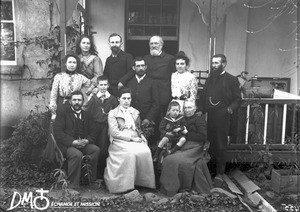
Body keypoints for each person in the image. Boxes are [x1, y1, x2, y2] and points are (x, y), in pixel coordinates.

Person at [198, 54, 241, 186]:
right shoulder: (210, 78)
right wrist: (201, 109)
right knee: (209, 143)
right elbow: (204, 96)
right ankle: (210, 172)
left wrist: (230, 109)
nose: (214, 65)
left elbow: (237, 99)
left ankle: (220, 173)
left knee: (221, 145)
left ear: (224, 64)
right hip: (210, 116)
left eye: (216, 63)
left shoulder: (232, 80)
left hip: (223, 116)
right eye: (213, 63)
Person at [104, 87, 155, 193]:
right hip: (120, 140)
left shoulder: (135, 112)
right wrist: (131, 138)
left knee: (145, 150)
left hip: (135, 138)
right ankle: (124, 185)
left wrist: (142, 136)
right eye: (124, 98)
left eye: (128, 98)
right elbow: (114, 133)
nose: (126, 101)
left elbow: (138, 128)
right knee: (131, 153)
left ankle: (141, 182)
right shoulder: (113, 113)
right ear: (119, 99)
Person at [160, 100, 213, 196]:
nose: (187, 110)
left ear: (195, 108)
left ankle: (183, 188)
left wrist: (187, 133)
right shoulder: (180, 119)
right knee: (168, 159)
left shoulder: (199, 120)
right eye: (185, 108)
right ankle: (169, 189)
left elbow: (202, 137)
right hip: (181, 146)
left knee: (180, 161)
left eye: (190, 108)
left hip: (195, 147)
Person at [119, 35, 175, 118]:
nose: (153, 45)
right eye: (151, 43)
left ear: (161, 45)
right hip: (149, 97)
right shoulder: (146, 58)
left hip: (163, 97)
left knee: (162, 121)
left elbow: (176, 75)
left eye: (156, 43)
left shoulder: (170, 59)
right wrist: (122, 81)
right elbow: (134, 70)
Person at [53, 91, 100, 189]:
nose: (77, 102)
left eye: (79, 100)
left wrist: (87, 140)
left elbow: (94, 131)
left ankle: (89, 180)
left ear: (83, 102)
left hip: (84, 144)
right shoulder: (62, 114)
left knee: (95, 150)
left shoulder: (87, 115)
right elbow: (58, 133)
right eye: (74, 100)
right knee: (76, 154)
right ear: (70, 101)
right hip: (67, 146)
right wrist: (72, 142)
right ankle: (72, 185)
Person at [86, 75, 118, 178]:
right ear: (97, 85)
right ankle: (92, 175)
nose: (103, 87)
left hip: (106, 127)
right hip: (94, 126)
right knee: (95, 148)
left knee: (104, 148)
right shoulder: (94, 99)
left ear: (108, 85)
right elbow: (88, 113)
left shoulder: (112, 99)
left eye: (105, 85)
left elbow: (116, 112)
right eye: (101, 85)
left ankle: (102, 174)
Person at [49, 53, 90, 117]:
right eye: (70, 62)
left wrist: (83, 92)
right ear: (66, 63)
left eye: (74, 62)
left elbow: (89, 84)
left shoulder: (80, 77)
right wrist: (53, 104)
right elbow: (54, 92)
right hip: (62, 103)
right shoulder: (59, 76)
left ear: (76, 64)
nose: (72, 65)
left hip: (75, 103)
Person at [125, 57, 159, 128]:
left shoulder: (152, 82)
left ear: (146, 67)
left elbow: (156, 104)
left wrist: (148, 118)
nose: (141, 68)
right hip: (131, 119)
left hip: (146, 119)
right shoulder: (128, 83)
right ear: (133, 68)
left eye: (142, 66)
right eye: (138, 66)